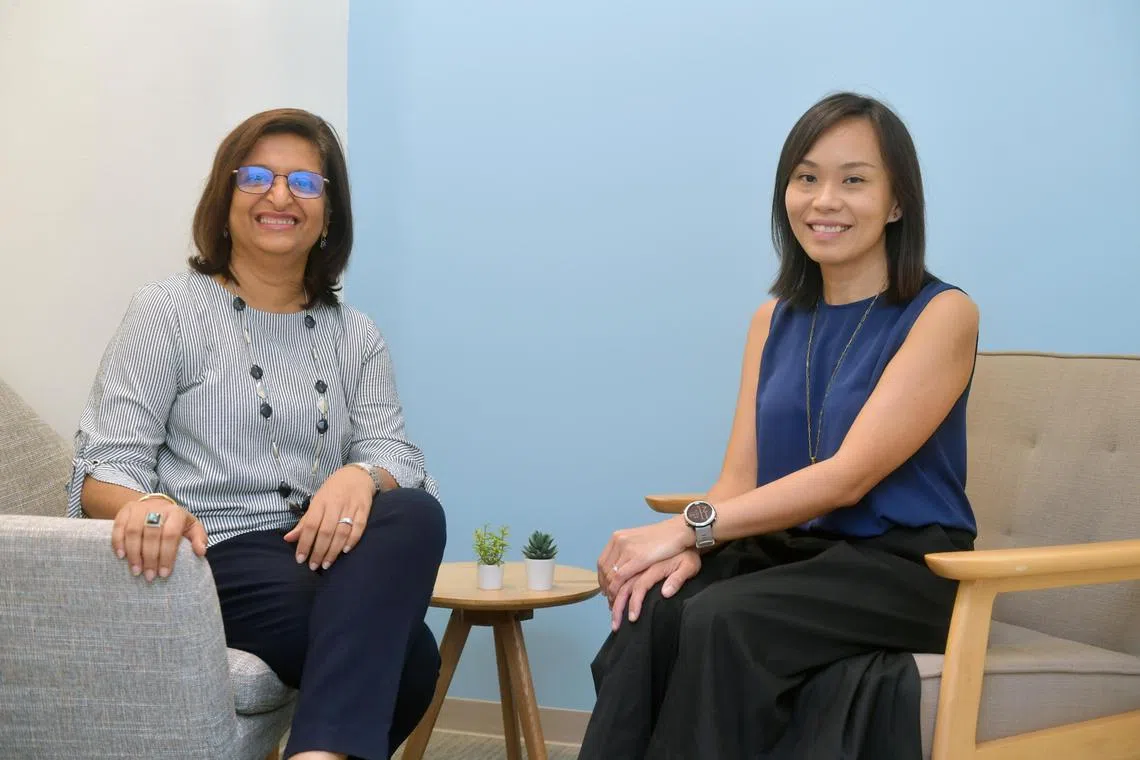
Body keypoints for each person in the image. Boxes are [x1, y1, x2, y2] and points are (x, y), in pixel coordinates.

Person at [579, 92, 979, 759]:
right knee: (655, 602)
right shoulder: (773, 320)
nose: (824, 200)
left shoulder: (943, 314)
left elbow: (847, 479)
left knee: (721, 618)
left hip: (906, 568)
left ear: (897, 202)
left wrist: (682, 528)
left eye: (854, 180)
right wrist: (691, 549)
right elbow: (737, 480)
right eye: (806, 177)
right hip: (792, 555)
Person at [68, 108, 446, 760]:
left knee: (416, 511)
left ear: (329, 212)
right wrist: (147, 504)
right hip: (212, 554)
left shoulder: (355, 335)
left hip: (319, 554)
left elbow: (395, 452)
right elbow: (108, 464)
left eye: (304, 183)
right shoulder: (169, 311)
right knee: (413, 656)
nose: (280, 196)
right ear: (225, 197)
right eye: (257, 177)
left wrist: (360, 476)